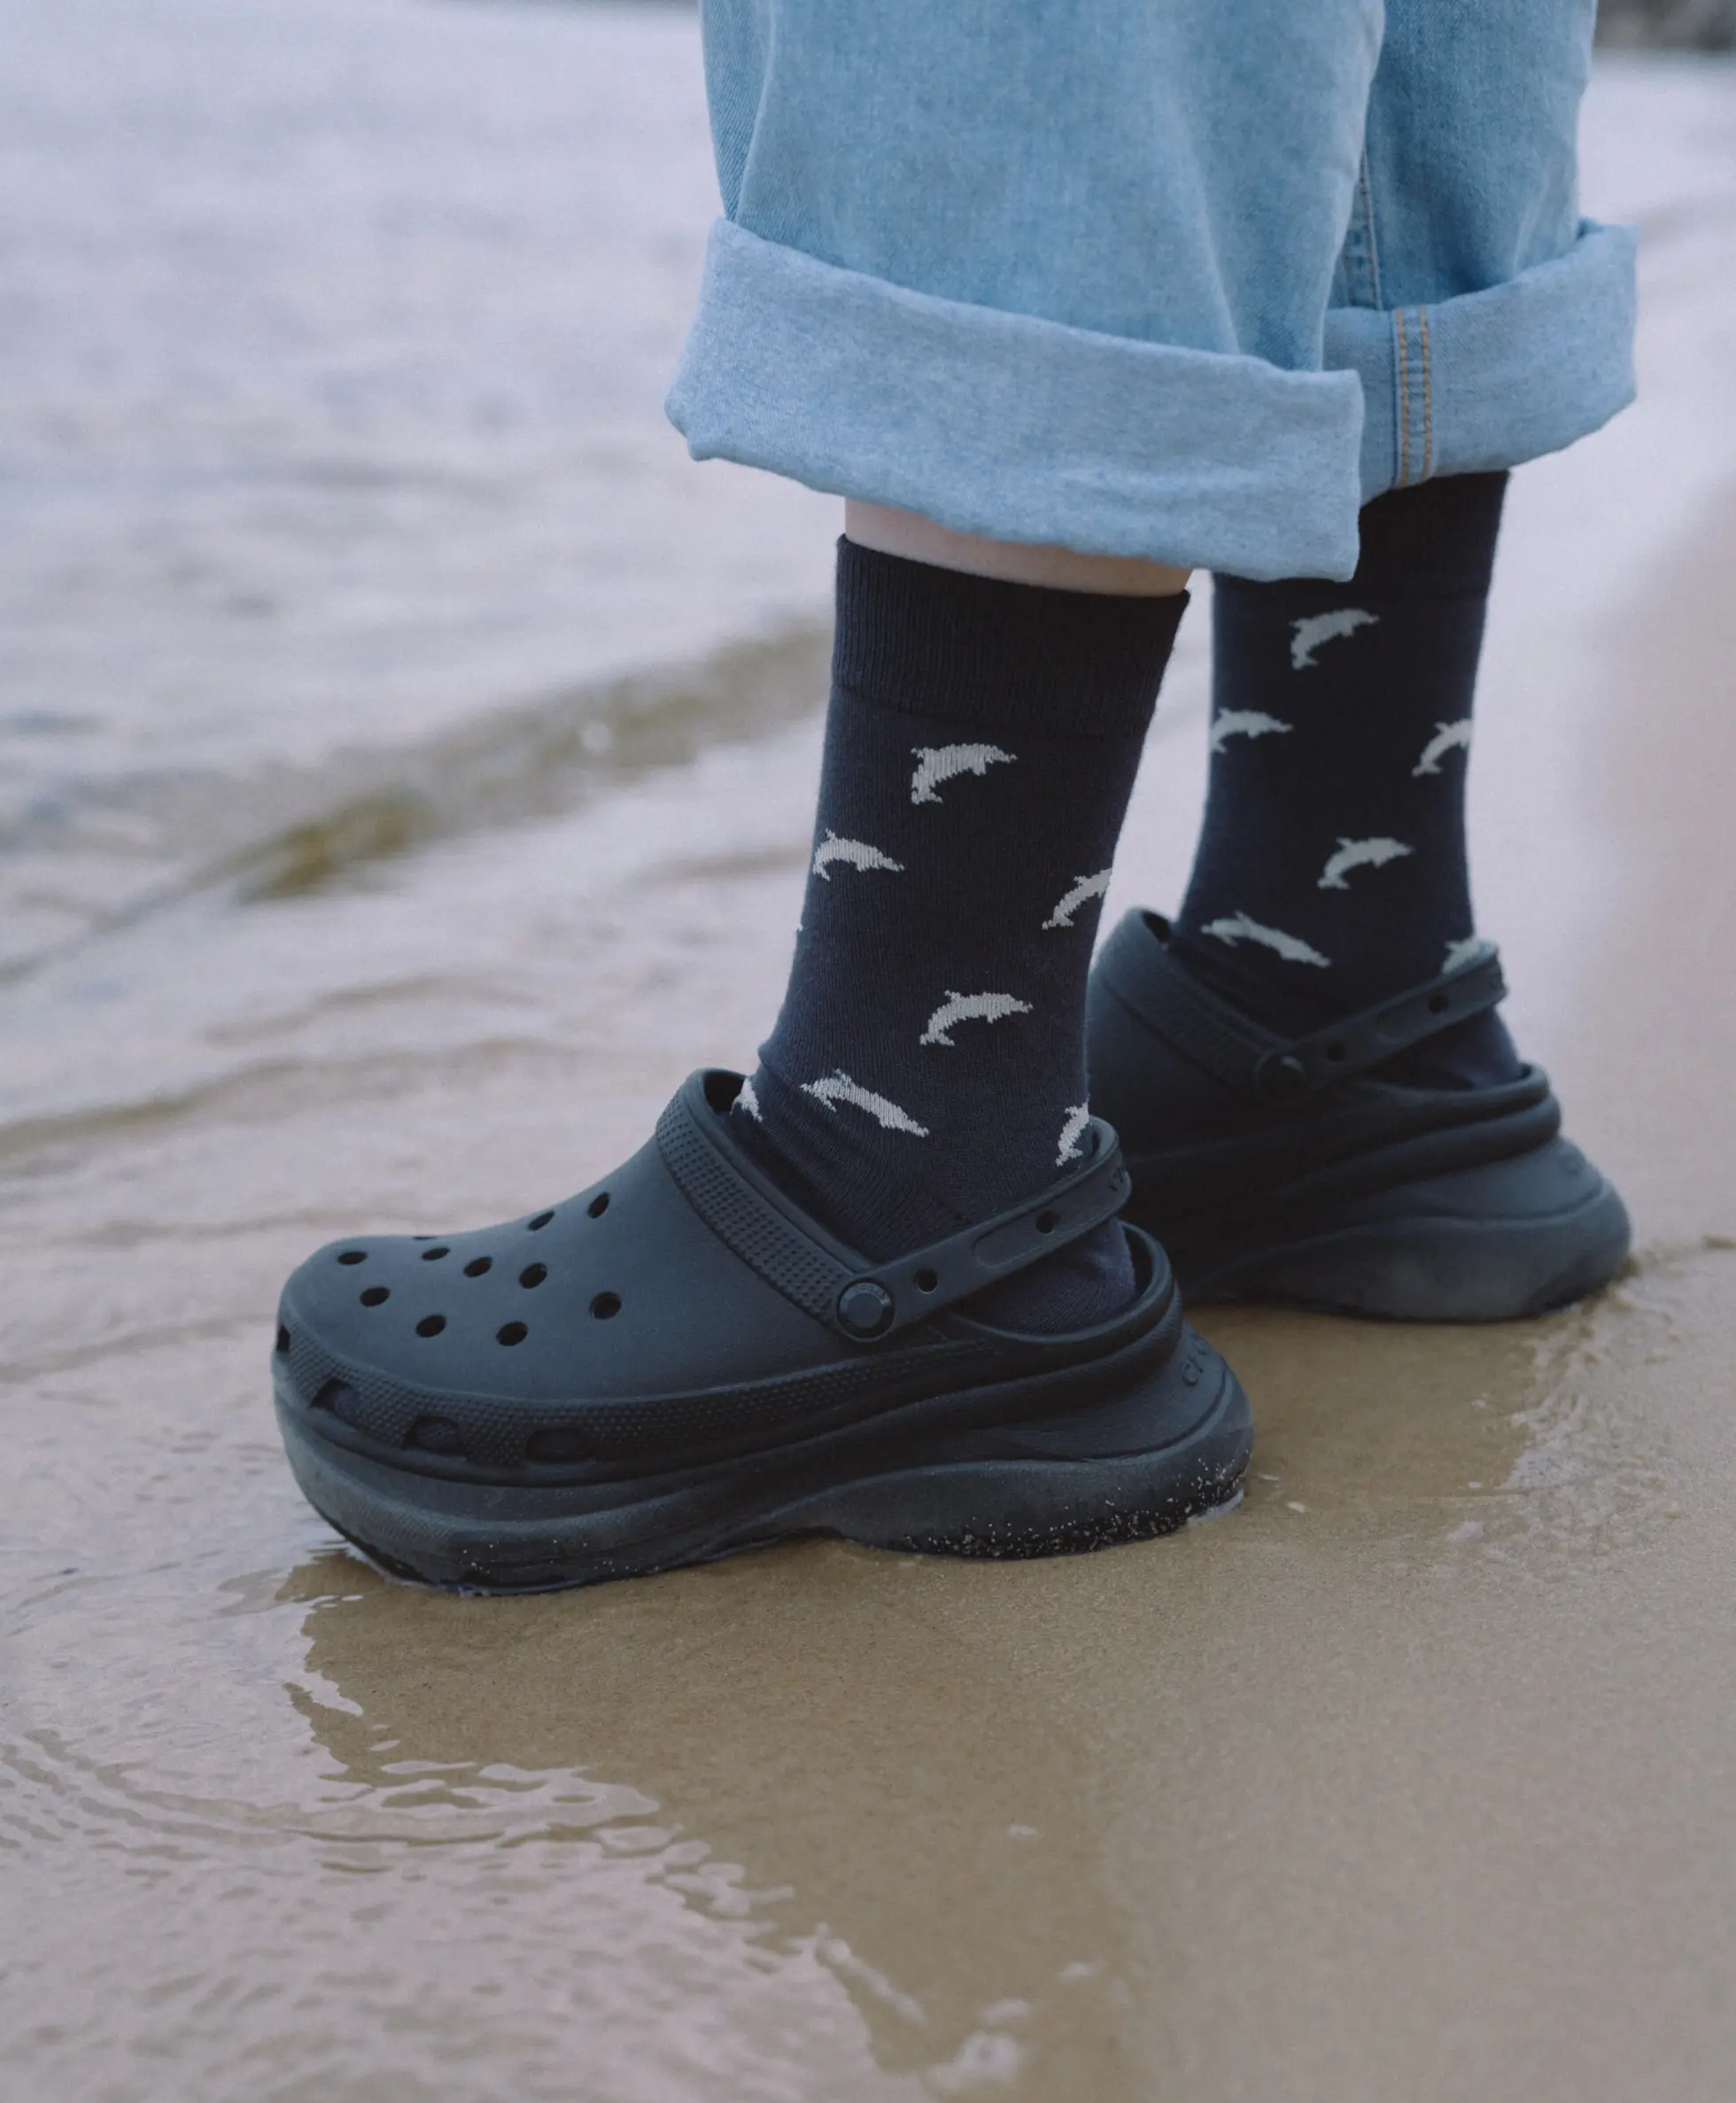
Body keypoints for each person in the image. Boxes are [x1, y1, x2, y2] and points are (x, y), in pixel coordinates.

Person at [269, 0, 1635, 1591]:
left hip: (919, 1207)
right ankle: (1338, 974)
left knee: (1043, 53)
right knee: (1384, 74)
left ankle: (914, 1189)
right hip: (1338, 990)